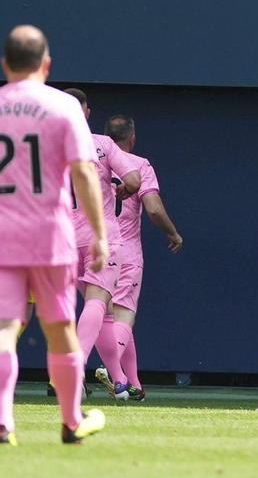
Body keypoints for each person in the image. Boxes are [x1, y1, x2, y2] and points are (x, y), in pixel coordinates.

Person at [0, 24, 107, 444]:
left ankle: (3, 419)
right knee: (61, 326)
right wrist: (100, 234)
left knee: (6, 327)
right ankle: (70, 421)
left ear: (6, 64)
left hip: (3, 236)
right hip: (51, 237)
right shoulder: (64, 107)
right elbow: (83, 171)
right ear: (46, 64)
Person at [93, 114, 183, 402]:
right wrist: (173, 234)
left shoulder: (95, 159)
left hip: (95, 247)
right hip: (127, 252)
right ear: (132, 138)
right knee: (123, 317)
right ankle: (112, 369)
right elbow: (154, 208)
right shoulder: (139, 164)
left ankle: (133, 383)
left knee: (107, 316)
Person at [62, 89, 140, 401]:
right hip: (101, 234)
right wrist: (121, 190)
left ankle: (120, 381)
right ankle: (75, 366)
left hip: (64, 236)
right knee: (97, 301)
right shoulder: (103, 144)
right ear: (87, 113)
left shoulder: (48, 145)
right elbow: (133, 180)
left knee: (104, 313)